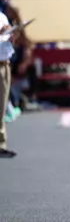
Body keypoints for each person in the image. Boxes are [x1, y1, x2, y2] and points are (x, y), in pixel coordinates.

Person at [0, 11, 17, 157]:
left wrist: (12, 36)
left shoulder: (2, 16)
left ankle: (1, 143)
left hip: (5, 63)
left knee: (2, 106)